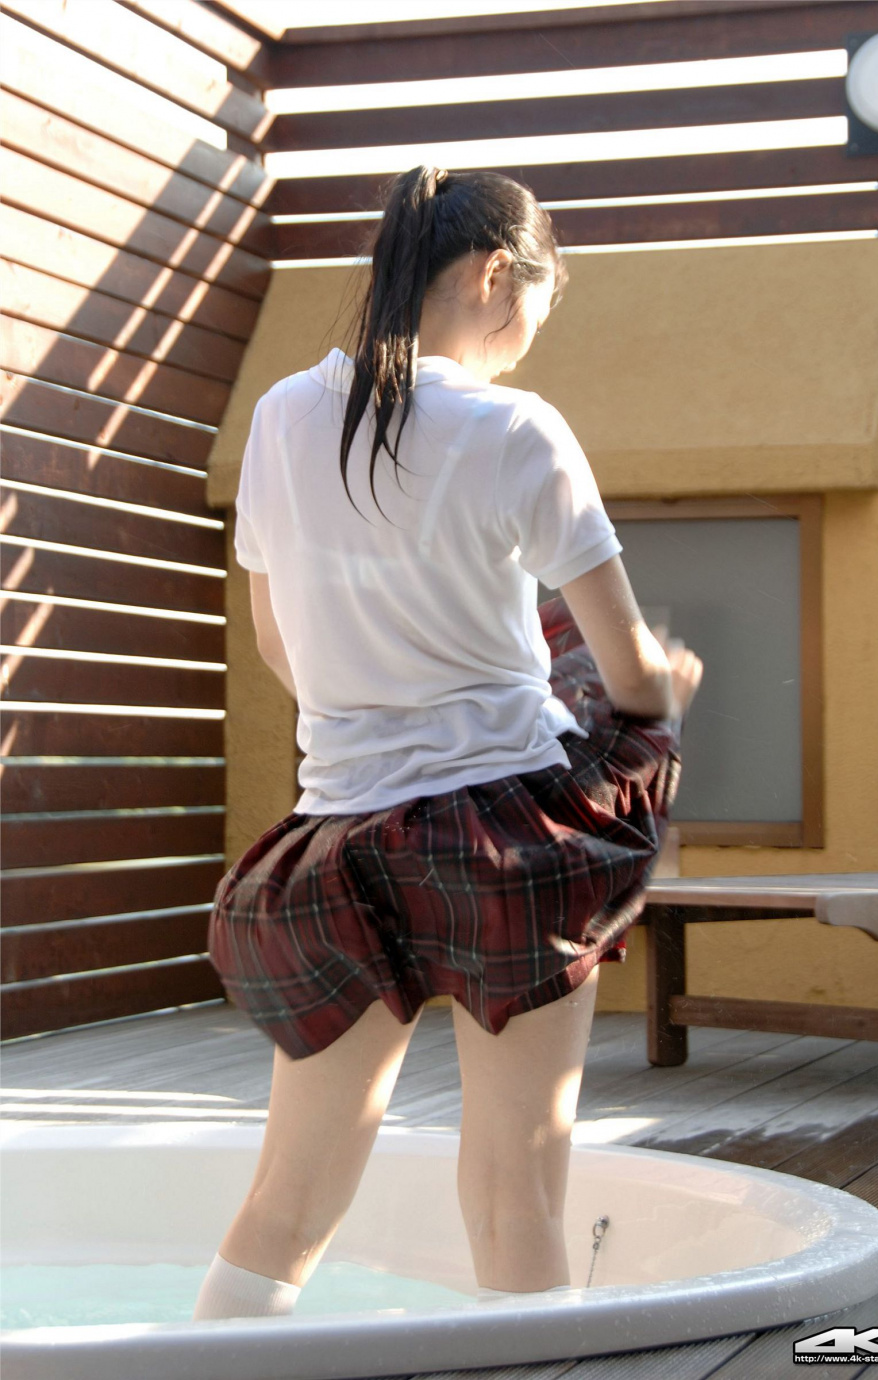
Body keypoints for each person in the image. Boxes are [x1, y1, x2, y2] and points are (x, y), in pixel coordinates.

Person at [192, 165, 703, 1322]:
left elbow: (280, 644)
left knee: (288, 1199)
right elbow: (626, 672)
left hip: (336, 843)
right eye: (535, 307)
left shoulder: (283, 417)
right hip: (508, 841)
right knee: (517, 1192)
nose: (527, 338)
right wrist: (664, 687)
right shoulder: (515, 428)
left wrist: (381, 706)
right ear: (491, 276)